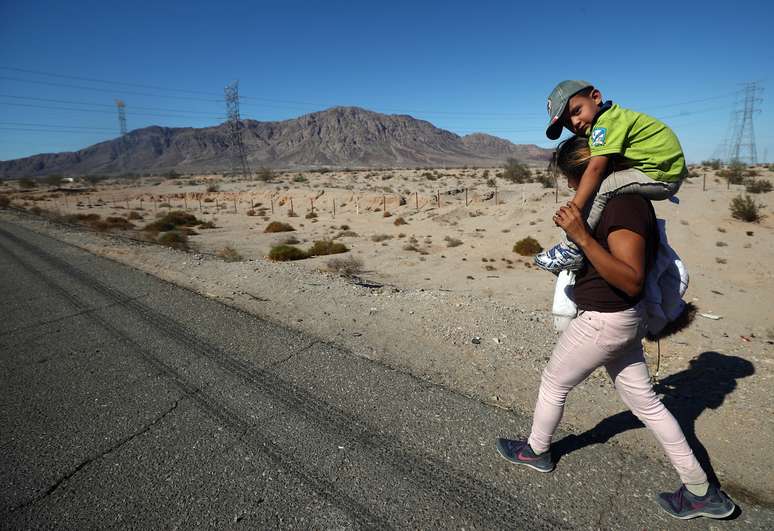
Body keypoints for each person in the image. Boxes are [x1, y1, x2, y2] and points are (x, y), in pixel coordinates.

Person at [496, 136, 736, 520]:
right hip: (622, 320)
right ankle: (701, 491)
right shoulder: (617, 199)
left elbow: (629, 279)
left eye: (573, 180)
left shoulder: (623, 204)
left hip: (605, 320)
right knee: (649, 404)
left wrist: (581, 237)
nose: (574, 189)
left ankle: (536, 451)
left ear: (590, 172)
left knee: (554, 383)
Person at [534, 80, 686, 273]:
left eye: (576, 111)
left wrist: (574, 209)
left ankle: (571, 248)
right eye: (566, 122)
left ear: (596, 97)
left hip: (662, 175)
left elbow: (595, 169)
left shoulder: (606, 123)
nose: (574, 123)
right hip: (661, 171)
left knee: (606, 186)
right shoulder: (612, 119)